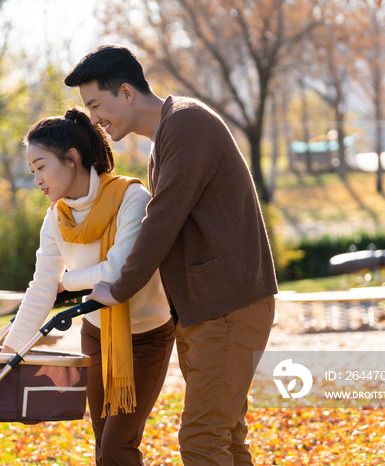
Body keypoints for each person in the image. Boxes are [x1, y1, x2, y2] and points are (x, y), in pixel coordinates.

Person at [64, 45, 278, 466]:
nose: (94, 119)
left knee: (202, 440)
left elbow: (160, 221)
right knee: (227, 438)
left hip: (230, 308)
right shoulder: (166, 137)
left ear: (126, 92)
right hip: (208, 310)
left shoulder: (186, 124)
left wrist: (120, 286)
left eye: (95, 105)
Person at [2, 108, 175, 466]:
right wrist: (9, 353)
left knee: (117, 447)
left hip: (146, 336)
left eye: (41, 166)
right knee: (102, 445)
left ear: (71, 159)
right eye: (32, 170)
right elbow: (40, 289)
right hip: (96, 334)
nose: (36, 179)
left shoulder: (131, 198)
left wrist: (66, 282)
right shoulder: (55, 218)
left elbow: (118, 270)